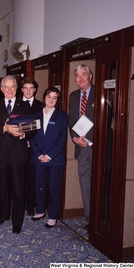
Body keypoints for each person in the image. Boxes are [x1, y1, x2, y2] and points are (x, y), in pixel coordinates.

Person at [0, 75, 36, 234]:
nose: (9, 90)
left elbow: (33, 128)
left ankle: (17, 221)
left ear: (17, 88)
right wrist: (5, 129)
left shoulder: (25, 105)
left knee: (18, 189)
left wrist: (22, 135)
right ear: (1, 89)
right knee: (2, 186)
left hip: (18, 153)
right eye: (6, 87)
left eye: (12, 87)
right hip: (0, 153)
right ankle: (3, 214)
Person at [30, 87, 68, 228]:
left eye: (54, 97)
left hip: (55, 160)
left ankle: (53, 215)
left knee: (54, 188)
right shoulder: (36, 115)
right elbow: (32, 137)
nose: (51, 100)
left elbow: (61, 139)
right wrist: (39, 154)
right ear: (44, 97)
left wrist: (50, 155)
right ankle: (40, 210)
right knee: (39, 186)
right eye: (49, 96)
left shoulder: (62, 116)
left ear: (57, 100)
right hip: (38, 158)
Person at [68, 64, 94, 229]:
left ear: (90, 76)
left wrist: (89, 139)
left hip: (98, 146)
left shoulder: (102, 93)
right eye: (77, 76)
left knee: (101, 184)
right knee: (85, 183)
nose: (81, 79)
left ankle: (102, 218)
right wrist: (75, 138)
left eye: (84, 75)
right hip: (81, 146)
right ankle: (90, 218)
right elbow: (71, 119)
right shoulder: (73, 96)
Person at [20, 77, 43, 216]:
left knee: (33, 176)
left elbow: (39, 127)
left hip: (34, 146)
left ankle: (30, 204)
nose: (28, 91)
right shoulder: (15, 104)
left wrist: (31, 139)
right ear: (22, 90)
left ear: (34, 90)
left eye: (31, 88)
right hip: (19, 145)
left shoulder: (41, 105)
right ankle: (19, 202)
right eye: (26, 88)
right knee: (19, 176)